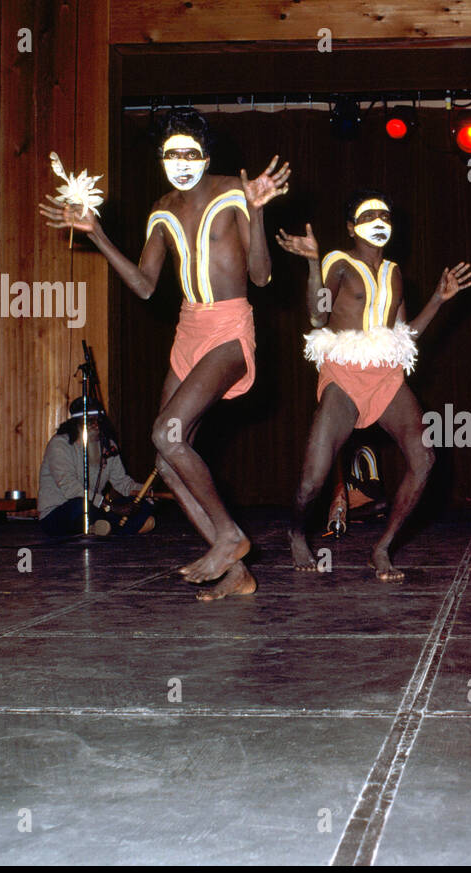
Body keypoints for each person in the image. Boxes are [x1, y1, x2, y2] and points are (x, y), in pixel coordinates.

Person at [38, 107, 290, 599]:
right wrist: (97, 235)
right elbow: (146, 286)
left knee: (166, 433)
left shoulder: (233, 192)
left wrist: (257, 214)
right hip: (188, 328)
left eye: (189, 152)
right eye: (170, 153)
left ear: (206, 154)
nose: (180, 161)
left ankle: (230, 537)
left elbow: (261, 277)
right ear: (161, 159)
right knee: (167, 457)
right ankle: (236, 575)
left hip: (229, 327)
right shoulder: (161, 209)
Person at [276, 190, 471, 581]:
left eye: (386, 214)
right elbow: (317, 317)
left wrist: (438, 297)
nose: (380, 219)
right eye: (369, 215)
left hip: (385, 375)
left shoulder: (396, 272)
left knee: (425, 458)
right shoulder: (338, 261)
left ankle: (381, 547)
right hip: (345, 371)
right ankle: (296, 531)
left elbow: (404, 335)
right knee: (314, 477)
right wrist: (314, 262)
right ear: (351, 228)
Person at [38, 398, 154, 536]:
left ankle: (101, 529)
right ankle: (110, 529)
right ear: (76, 423)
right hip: (61, 512)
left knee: (144, 507)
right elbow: (70, 488)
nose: (95, 425)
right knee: (81, 506)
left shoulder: (108, 446)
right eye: (88, 421)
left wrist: (143, 492)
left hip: (96, 508)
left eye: (97, 420)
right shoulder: (59, 445)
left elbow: (122, 482)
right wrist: (109, 507)